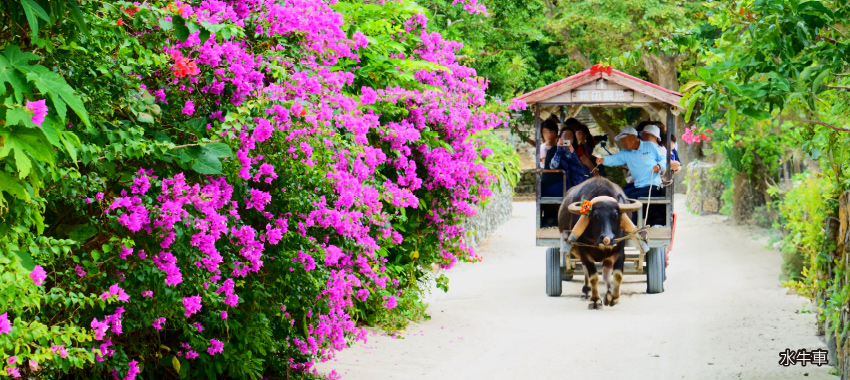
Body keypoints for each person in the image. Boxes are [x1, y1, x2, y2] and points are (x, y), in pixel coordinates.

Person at [596, 127, 666, 201]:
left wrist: (659, 166)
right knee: (619, 197)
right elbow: (615, 159)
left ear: (632, 137)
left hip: (653, 186)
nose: (623, 144)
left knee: (632, 198)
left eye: (624, 141)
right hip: (637, 187)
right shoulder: (625, 152)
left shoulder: (650, 146)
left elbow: (664, 159)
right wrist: (603, 159)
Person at [539, 119, 563, 197]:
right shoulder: (543, 148)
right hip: (549, 178)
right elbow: (547, 164)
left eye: (551, 132)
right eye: (545, 133)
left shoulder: (560, 146)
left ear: (556, 133)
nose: (548, 135)